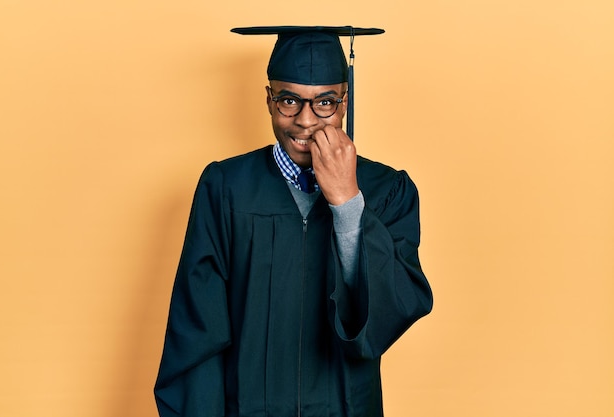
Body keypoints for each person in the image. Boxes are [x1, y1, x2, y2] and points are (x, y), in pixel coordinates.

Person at [154, 26, 433, 417]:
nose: (305, 121)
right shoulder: (226, 188)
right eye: (289, 101)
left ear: (344, 102)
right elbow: (197, 330)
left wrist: (347, 202)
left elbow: (394, 311)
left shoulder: (387, 190)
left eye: (325, 103)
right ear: (269, 100)